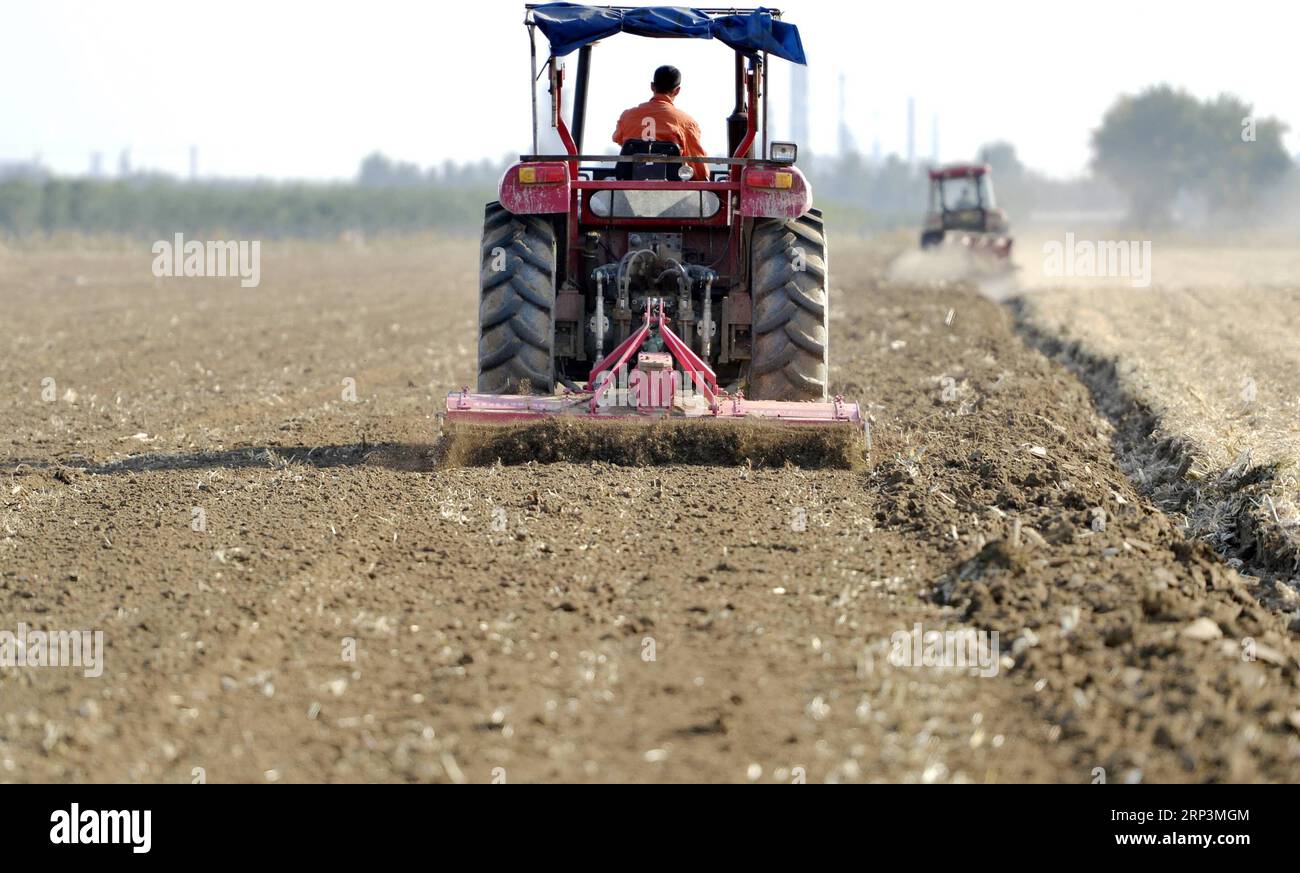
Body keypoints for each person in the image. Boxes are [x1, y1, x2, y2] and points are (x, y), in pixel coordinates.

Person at [612, 65, 709, 182]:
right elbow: (697, 164)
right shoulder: (686, 122)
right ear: (677, 90)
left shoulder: (627, 116)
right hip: (672, 191)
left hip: (630, 187)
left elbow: (618, 139)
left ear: (652, 86)